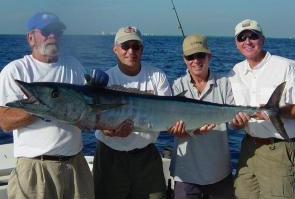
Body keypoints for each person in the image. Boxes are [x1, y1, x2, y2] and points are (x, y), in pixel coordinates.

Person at [0, 12, 95, 199]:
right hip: (35, 169)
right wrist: (47, 108)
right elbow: (5, 121)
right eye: (46, 31)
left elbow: (85, 114)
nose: (52, 36)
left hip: (76, 164)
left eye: (57, 31)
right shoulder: (16, 70)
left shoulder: (73, 65)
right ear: (30, 38)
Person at [93, 26, 172, 199]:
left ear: (142, 49)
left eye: (135, 46)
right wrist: (108, 131)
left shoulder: (157, 76)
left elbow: (169, 114)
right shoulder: (105, 80)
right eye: (125, 46)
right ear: (115, 49)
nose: (131, 51)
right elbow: (95, 121)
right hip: (110, 155)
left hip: (146, 155)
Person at [229, 19, 295, 198]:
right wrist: (235, 124)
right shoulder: (235, 72)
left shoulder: (286, 66)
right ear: (236, 44)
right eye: (241, 38)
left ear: (262, 38)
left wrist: (276, 112)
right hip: (247, 149)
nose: (247, 41)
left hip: (278, 150)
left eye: (253, 36)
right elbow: (234, 116)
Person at [168, 34, 235, 199]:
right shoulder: (177, 86)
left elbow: (234, 123)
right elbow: (171, 127)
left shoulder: (225, 83)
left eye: (200, 55)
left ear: (209, 56)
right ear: (184, 59)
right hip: (186, 175)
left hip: (219, 173)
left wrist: (239, 121)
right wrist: (190, 132)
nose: (196, 60)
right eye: (191, 57)